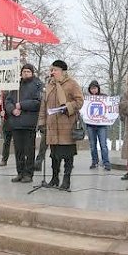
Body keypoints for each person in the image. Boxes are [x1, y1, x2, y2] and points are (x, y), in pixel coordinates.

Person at [37, 60, 84, 191]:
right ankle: (54, 178)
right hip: (52, 126)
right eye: (51, 70)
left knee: (67, 154)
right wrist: (41, 122)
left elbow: (80, 101)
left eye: (55, 70)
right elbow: (43, 106)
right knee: (54, 154)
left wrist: (67, 107)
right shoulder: (49, 86)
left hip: (67, 125)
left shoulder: (72, 84)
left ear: (63, 71)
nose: (52, 72)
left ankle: (66, 180)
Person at [6, 64, 43, 183]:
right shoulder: (15, 85)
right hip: (16, 123)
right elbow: (8, 101)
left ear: (32, 73)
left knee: (29, 150)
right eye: (24, 71)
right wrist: (12, 109)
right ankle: (20, 172)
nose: (25, 73)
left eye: (28, 71)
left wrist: (22, 105)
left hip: (29, 123)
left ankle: (28, 174)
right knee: (18, 151)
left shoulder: (37, 85)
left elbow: (38, 102)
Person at [85, 80, 111, 171]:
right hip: (90, 125)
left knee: (103, 145)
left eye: (95, 88)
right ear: (90, 89)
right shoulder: (87, 99)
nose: (94, 90)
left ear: (98, 88)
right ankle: (94, 161)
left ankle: (106, 163)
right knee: (92, 145)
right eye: (92, 88)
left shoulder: (104, 97)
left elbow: (109, 107)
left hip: (102, 125)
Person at [0, 91, 13, 166]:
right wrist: (1, 114)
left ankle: (4, 159)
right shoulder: (2, 104)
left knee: (18, 144)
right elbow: (1, 112)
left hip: (15, 123)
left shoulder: (14, 98)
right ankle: (4, 159)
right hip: (7, 124)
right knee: (6, 143)